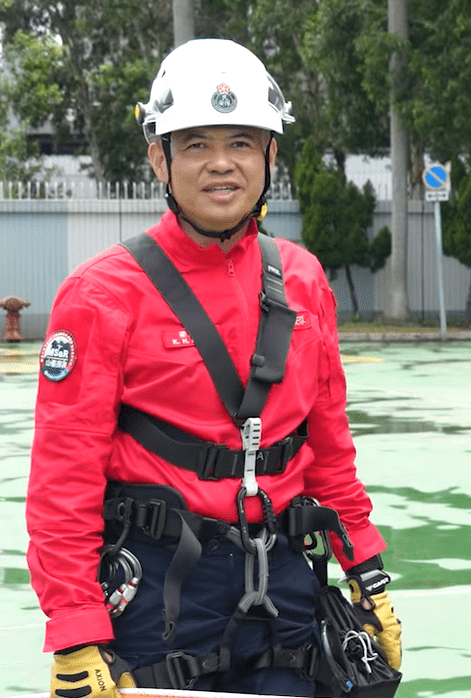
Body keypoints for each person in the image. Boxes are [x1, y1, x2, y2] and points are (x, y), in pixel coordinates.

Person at [27, 39, 400, 696]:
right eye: (194, 143)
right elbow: (63, 481)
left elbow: (330, 450)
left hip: (287, 581)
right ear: (158, 159)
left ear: (270, 155)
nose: (220, 164)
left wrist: (365, 572)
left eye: (241, 142)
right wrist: (75, 632)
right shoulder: (101, 294)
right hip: (159, 597)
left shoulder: (305, 280)